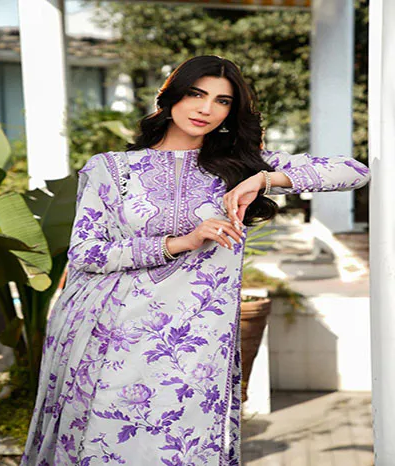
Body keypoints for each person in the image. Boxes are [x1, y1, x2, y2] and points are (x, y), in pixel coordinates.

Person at [21, 55, 370, 466]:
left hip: (196, 343)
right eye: (195, 94)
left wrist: (264, 179)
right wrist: (180, 242)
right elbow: (86, 252)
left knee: (182, 448)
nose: (206, 109)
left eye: (222, 101)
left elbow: (354, 171)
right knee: (108, 448)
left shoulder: (239, 167)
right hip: (113, 333)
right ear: (169, 97)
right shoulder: (111, 169)